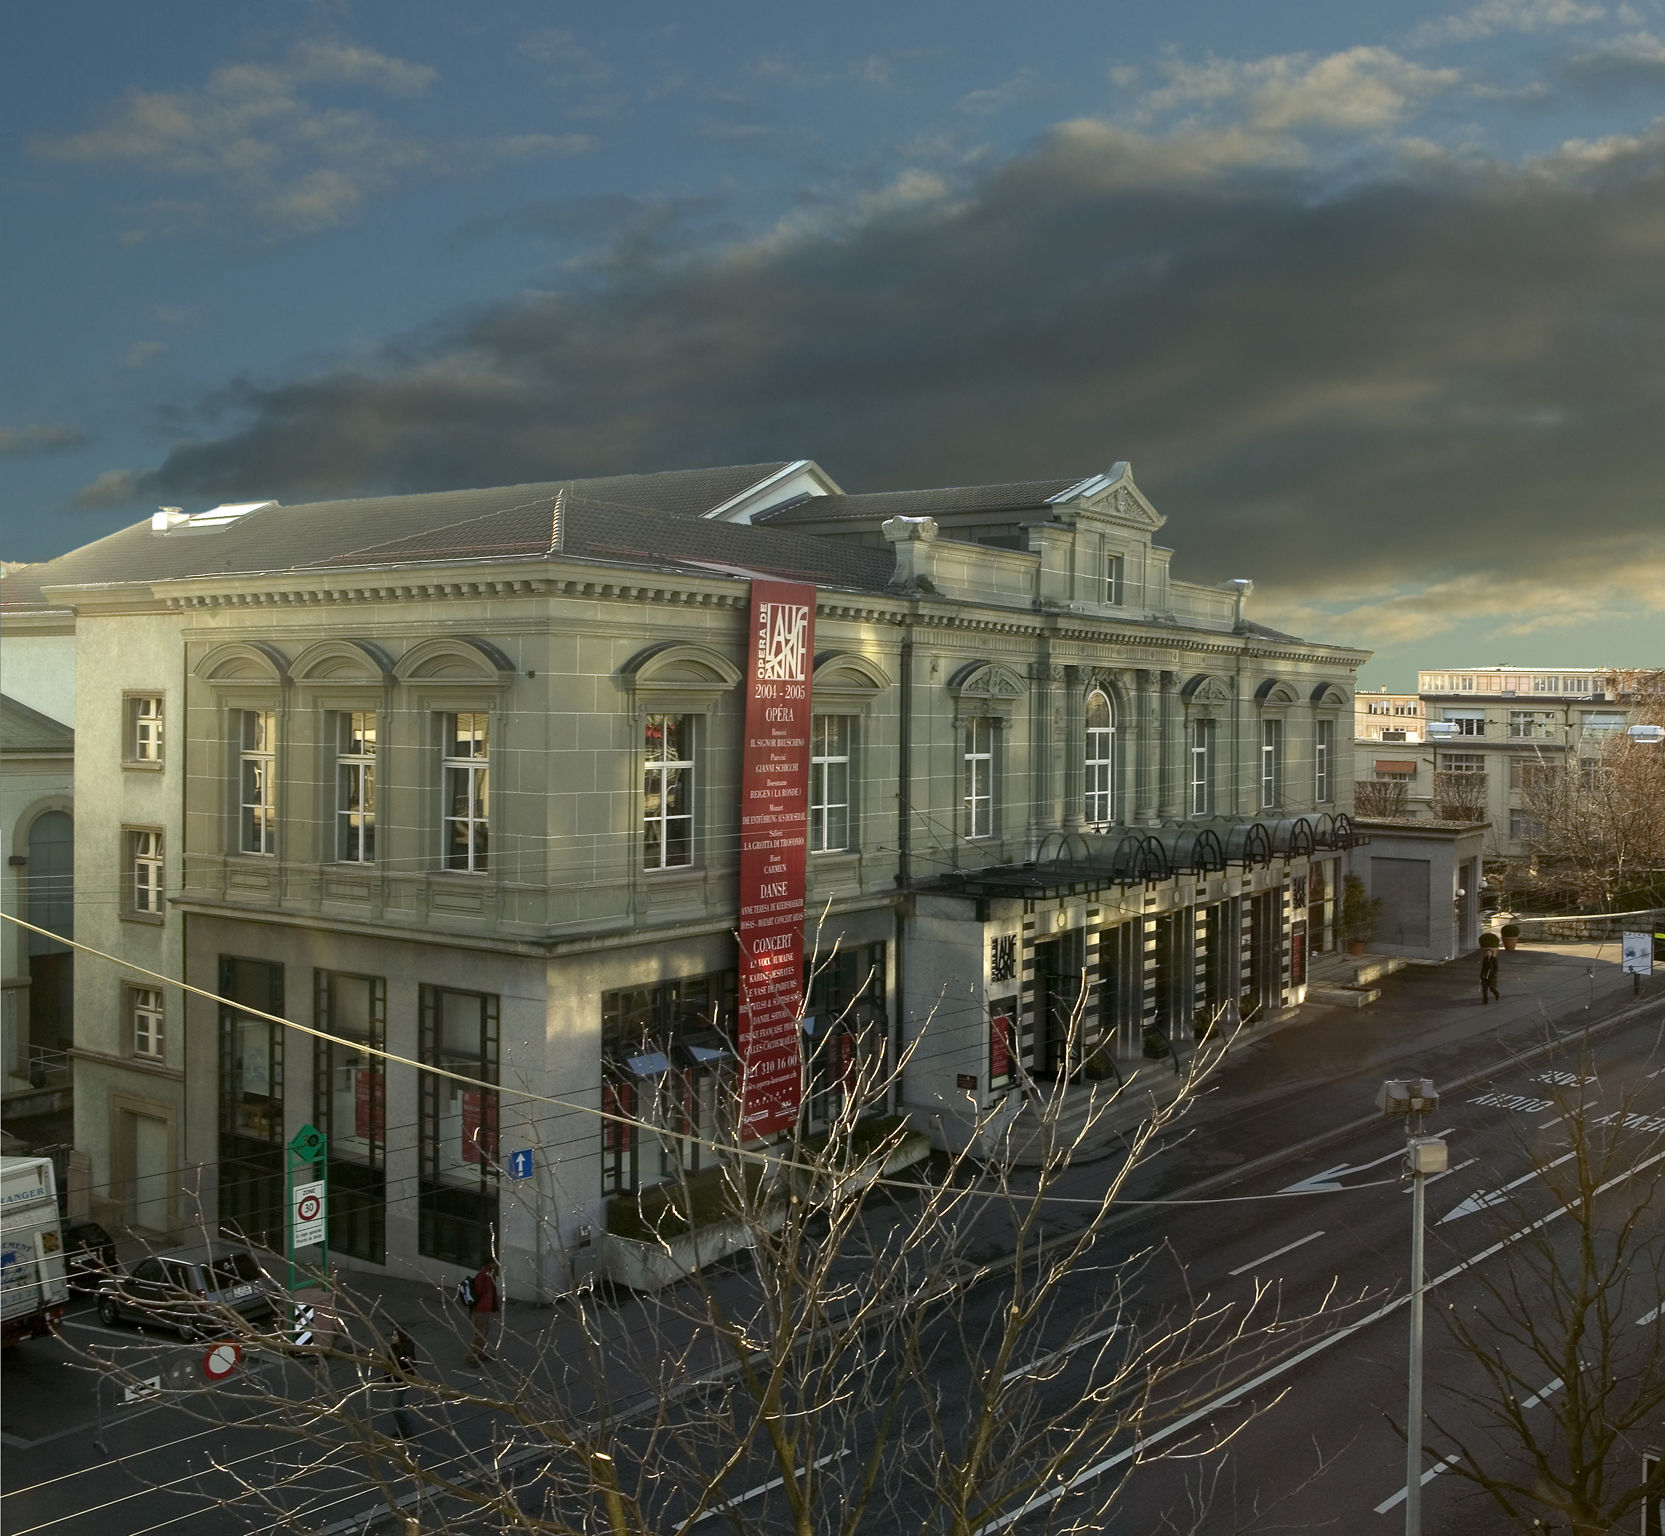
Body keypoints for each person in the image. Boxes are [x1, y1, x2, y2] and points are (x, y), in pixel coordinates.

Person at [384, 1325, 419, 1439]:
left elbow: (412, 1363)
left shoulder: (406, 1348)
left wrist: (407, 1361)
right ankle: (403, 1428)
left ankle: (407, 1425)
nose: (392, 1338)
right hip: (394, 1379)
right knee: (398, 1404)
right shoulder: (394, 1347)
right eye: (392, 1335)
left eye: (395, 1336)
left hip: (403, 1380)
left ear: (400, 1337)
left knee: (393, 1404)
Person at [465, 1258, 499, 1367]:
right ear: (489, 1264)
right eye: (494, 1262)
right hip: (481, 1309)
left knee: (483, 1333)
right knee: (479, 1333)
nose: (496, 1264)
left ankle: (480, 1353)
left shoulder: (488, 1274)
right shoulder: (483, 1276)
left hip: (486, 1308)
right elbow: (479, 1291)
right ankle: (472, 1356)